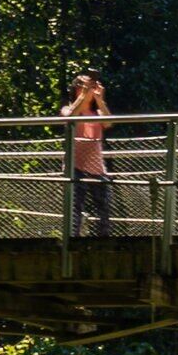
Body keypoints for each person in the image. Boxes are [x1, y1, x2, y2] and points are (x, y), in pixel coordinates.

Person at [65, 74, 113, 237]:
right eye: (85, 86)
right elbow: (70, 116)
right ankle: (73, 240)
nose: (90, 89)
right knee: (75, 208)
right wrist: (83, 96)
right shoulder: (69, 108)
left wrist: (100, 98)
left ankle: (103, 241)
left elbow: (108, 122)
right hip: (75, 166)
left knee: (104, 207)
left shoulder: (97, 112)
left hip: (96, 167)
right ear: (77, 88)